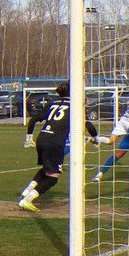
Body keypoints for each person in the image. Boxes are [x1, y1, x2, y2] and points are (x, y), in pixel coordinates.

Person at [18, 82, 100, 211]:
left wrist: (29, 138)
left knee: (47, 169)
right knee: (53, 178)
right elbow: (88, 125)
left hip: (42, 138)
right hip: (55, 142)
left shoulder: (52, 104)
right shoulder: (75, 107)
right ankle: (27, 200)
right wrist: (96, 138)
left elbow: (33, 120)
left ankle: (27, 191)